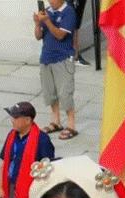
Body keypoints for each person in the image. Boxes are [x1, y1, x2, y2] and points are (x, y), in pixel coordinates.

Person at [0, 101, 56, 198]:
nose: (12, 120)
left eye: (16, 118)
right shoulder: (12, 136)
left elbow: (48, 169)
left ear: (28, 120)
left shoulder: (42, 140)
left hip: (31, 190)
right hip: (12, 187)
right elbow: (5, 162)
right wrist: (0, 186)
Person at [34, 0, 78, 140]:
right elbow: (38, 36)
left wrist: (46, 21)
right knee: (50, 92)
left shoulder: (69, 12)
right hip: (46, 57)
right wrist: (37, 23)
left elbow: (60, 35)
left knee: (65, 93)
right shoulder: (47, 12)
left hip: (63, 58)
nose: (50, 1)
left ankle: (71, 125)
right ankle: (56, 121)